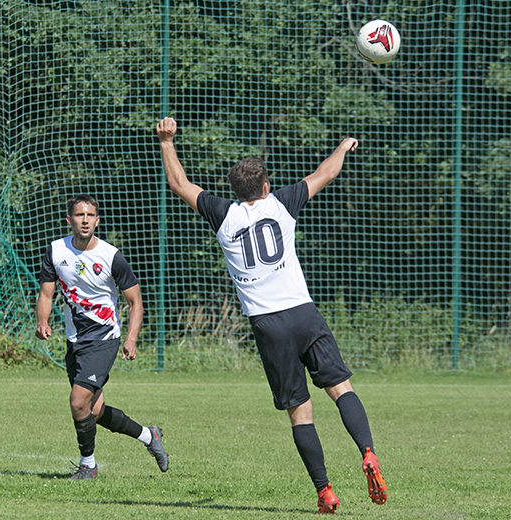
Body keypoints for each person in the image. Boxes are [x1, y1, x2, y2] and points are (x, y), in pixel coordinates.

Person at [156, 117, 386, 513]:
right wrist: (344, 145)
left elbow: (179, 184)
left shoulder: (222, 214)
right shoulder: (282, 202)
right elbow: (325, 172)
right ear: (265, 186)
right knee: (341, 389)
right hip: (303, 312)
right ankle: (367, 451)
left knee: (300, 410)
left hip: (268, 323)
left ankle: (324, 490)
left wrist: (166, 141)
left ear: (235, 190)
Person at [35, 194, 169, 480]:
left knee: (77, 401)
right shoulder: (56, 251)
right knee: (93, 410)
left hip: (104, 337)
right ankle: (149, 435)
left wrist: (131, 339)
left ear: (98, 220)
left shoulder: (111, 256)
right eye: (79, 215)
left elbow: (136, 302)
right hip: (75, 339)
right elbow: (46, 292)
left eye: (90, 215)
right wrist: (42, 321)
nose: (85, 220)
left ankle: (88, 466)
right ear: (69, 219)